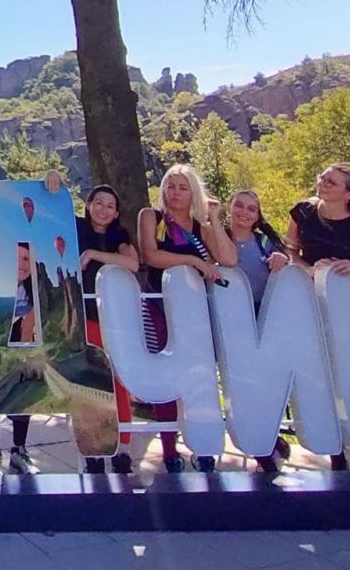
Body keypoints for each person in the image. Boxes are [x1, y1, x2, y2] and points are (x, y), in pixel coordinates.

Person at [287, 162, 350, 470]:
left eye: (331, 181)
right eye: (323, 177)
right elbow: (289, 251)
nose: (323, 183)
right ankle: (337, 451)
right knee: (325, 376)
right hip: (315, 304)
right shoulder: (303, 212)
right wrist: (310, 270)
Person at [137, 164, 237, 473]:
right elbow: (151, 256)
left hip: (194, 311)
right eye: (170, 186)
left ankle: (202, 444)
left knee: (198, 377)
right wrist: (193, 260)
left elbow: (228, 259)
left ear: (193, 192)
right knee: (165, 376)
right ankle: (169, 450)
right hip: (158, 305)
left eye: (183, 187)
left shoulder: (199, 226)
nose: (175, 193)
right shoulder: (151, 217)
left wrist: (214, 219)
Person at [75, 184, 139, 474]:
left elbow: (132, 263)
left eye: (110, 205)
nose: (103, 210)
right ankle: (92, 448)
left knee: (118, 382)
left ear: (116, 213)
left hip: (114, 318)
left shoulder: (118, 236)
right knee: (89, 384)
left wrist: (93, 254)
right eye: (98, 203)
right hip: (85, 315)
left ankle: (122, 447)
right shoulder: (76, 229)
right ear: (89, 205)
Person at [227, 188, 291, 473]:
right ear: (230, 208)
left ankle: (270, 437)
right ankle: (260, 446)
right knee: (241, 383)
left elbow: (287, 262)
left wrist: (282, 259)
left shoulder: (264, 241)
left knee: (264, 382)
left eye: (251, 208)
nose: (244, 212)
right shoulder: (218, 238)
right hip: (230, 318)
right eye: (239, 205)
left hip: (262, 316)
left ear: (257, 216)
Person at [0, 241, 39, 473]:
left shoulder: (33, 291)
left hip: (19, 339)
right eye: (17, 258)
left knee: (22, 392)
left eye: (27, 259)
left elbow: (28, 328)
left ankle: (19, 449)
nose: (21, 264)